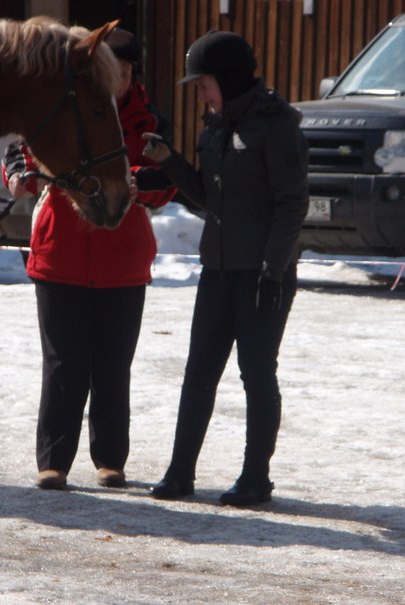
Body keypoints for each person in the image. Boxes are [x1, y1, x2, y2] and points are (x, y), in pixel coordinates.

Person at [2, 28, 175, 491]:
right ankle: (54, 461)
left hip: (123, 262)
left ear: (133, 73)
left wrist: (138, 181)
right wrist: (20, 174)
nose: (116, 79)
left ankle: (110, 459)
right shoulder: (66, 107)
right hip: (60, 254)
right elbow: (20, 151)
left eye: (123, 72)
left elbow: (169, 178)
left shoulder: (149, 122)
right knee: (62, 363)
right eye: (109, 71)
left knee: (113, 365)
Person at [142, 30, 308, 506]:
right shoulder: (214, 126)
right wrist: (170, 162)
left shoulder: (276, 126)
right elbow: (205, 198)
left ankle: (256, 478)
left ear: (229, 80)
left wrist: (273, 270)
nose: (200, 93)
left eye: (204, 83)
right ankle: (180, 473)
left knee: (256, 374)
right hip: (217, 269)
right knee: (199, 371)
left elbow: (292, 204)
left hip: (261, 274)